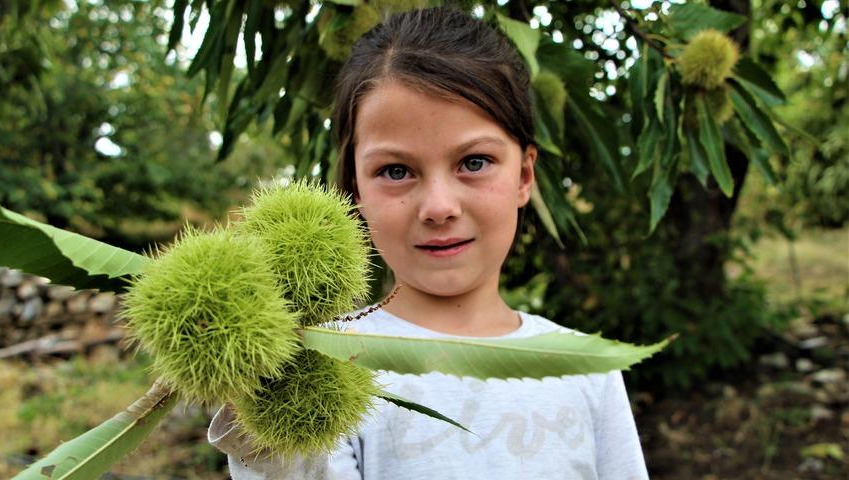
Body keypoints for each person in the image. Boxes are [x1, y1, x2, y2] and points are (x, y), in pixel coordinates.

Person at [209, 6, 649, 479]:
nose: (439, 207)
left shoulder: (587, 369)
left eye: (474, 162)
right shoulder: (323, 366)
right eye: (395, 171)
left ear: (524, 175)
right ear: (355, 192)